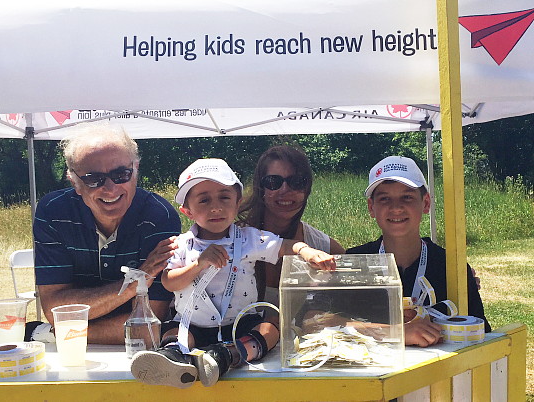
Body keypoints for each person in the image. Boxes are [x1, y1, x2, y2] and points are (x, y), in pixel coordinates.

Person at [130, 158, 336, 388]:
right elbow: (169, 283)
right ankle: (173, 359)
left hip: (240, 322)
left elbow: (284, 246)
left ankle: (225, 357)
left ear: (237, 203)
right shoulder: (180, 245)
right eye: (204, 200)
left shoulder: (249, 238)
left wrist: (307, 251)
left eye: (224, 197)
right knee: (173, 331)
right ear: (187, 210)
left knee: (269, 327)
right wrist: (199, 264)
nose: (216, 207)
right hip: (192, 323)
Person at [31, 124, 180, 344]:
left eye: (121, 174)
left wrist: (63, 332)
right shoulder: (53, 212)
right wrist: (132, 284)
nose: (110, 188)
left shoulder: (159, 216)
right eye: (93, 179)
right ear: (75, 182)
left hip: (133, 354)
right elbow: (55, 311)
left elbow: (149, 323)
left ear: (135, 171)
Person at [346, 155, 491, 346]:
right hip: (372, 374)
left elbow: (480, 334)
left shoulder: (451, 268)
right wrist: (396, 333)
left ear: (426, 203)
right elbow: (321, 322)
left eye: (407, 197)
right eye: (384, 199)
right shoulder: (353, 262)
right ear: (371, 207)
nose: (396, 208)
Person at [238, 145, 345, 305]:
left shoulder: (324, 247)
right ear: (261, 188)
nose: (285, 190)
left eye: (296, 182)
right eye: (274, 182)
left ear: (307, 188)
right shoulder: (235, 240)